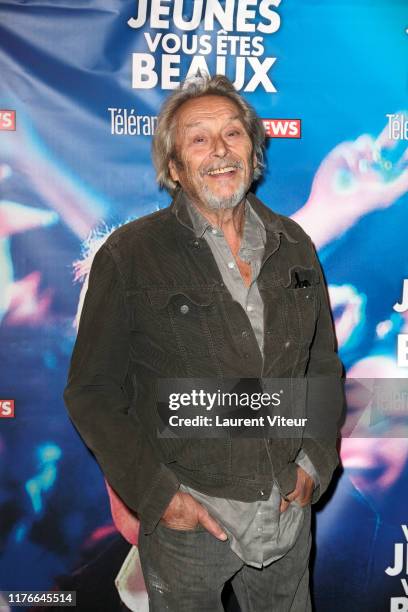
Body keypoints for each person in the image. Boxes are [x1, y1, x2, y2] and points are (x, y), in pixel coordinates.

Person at [63, 74, 343, 612]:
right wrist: (161, 497)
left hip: (286, 509)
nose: (219, 150)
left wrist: (314, 462)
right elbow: (93, 391)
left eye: (233, 134)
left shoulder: (294, 244)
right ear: (174, 167)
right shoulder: (129, 255)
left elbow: (322, 364)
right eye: (198, 138)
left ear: (253, 153)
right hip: (191, 522)